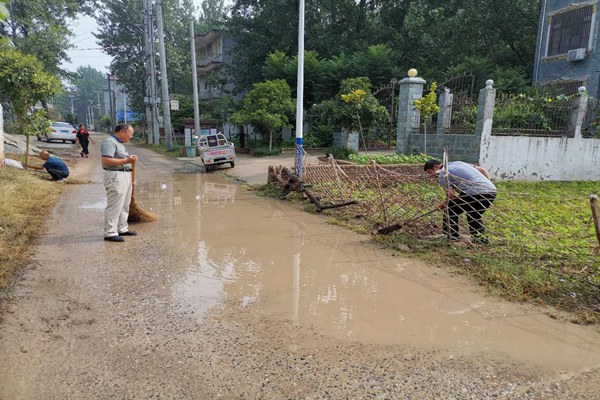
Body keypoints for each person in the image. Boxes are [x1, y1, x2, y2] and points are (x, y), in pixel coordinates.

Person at [424, 159, 497, 244]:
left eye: (430, 172)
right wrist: (487, 183)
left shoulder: (443, 174)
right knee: (474, 214)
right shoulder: (458, 163)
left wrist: (441, 206)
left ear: (436, 167)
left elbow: (450, 197)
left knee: (450, 209)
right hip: (491, 191)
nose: (432, 176)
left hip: (474, 192)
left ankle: (451, 236)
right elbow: (482, 169)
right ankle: (480, 239)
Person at [101, 123, 138, 242]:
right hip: (115, 175)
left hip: (125, 174)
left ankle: (122, 228)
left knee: (125, 204)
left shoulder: (120, 144)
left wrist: (129, 161)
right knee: (115, 204)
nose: (131, 136)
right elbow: (106, 160)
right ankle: (110, 232)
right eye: (130, 133)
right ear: (122, 132)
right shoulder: (110, 142)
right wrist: (127, 160)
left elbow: (123, 160)